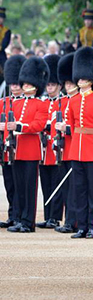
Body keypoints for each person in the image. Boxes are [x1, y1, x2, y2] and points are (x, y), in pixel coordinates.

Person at [55, 47, 93, 239]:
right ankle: (81, 226)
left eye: (83, 78)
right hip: (76, 151)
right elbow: (71, 125)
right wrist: (63, 127)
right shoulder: (73, 101)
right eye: (78, 78)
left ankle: (92, 226)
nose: (79, 81)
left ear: (91, 78)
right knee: (78, 190)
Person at [4, 57, 50, 233]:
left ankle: (28, 222)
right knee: (20, 187)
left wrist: (19, 126)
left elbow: (38, 125)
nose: (23, 86)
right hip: (17, 150)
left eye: (27, 83)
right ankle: (20, 219)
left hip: (31, 151)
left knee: (30, 189)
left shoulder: (41, 104)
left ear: (35, 85)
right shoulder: (16, 104)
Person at [37, 54, 65, 229]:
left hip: (57, 149)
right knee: (45, 184)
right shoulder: (43, 101)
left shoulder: (63, 102)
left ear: (59, 85)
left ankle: (55, 217)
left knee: (57, 184)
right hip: (43, 148)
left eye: (52, 84)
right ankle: (47, 215)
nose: (49, 87)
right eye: (47, 84)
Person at [54, 53, 79, 234]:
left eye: (71, 83)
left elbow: (83, 125)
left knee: (75, 188)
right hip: (63, 148)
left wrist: (67, 128)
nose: (68, 86)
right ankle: (68, 220)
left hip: (76, 148)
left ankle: (74, 221)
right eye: (67, 83)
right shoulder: (62, 101)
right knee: (65, 187)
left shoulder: (80, 100)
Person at [0, 55, 26, 228]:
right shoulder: (3, 102)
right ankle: (12, 214)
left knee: (19, 184)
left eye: (18, 84)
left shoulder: (26, 102)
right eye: (13, 84)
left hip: (20, 148)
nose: (15, 87)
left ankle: (19, 215)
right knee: (9, 184)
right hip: (5, 149)